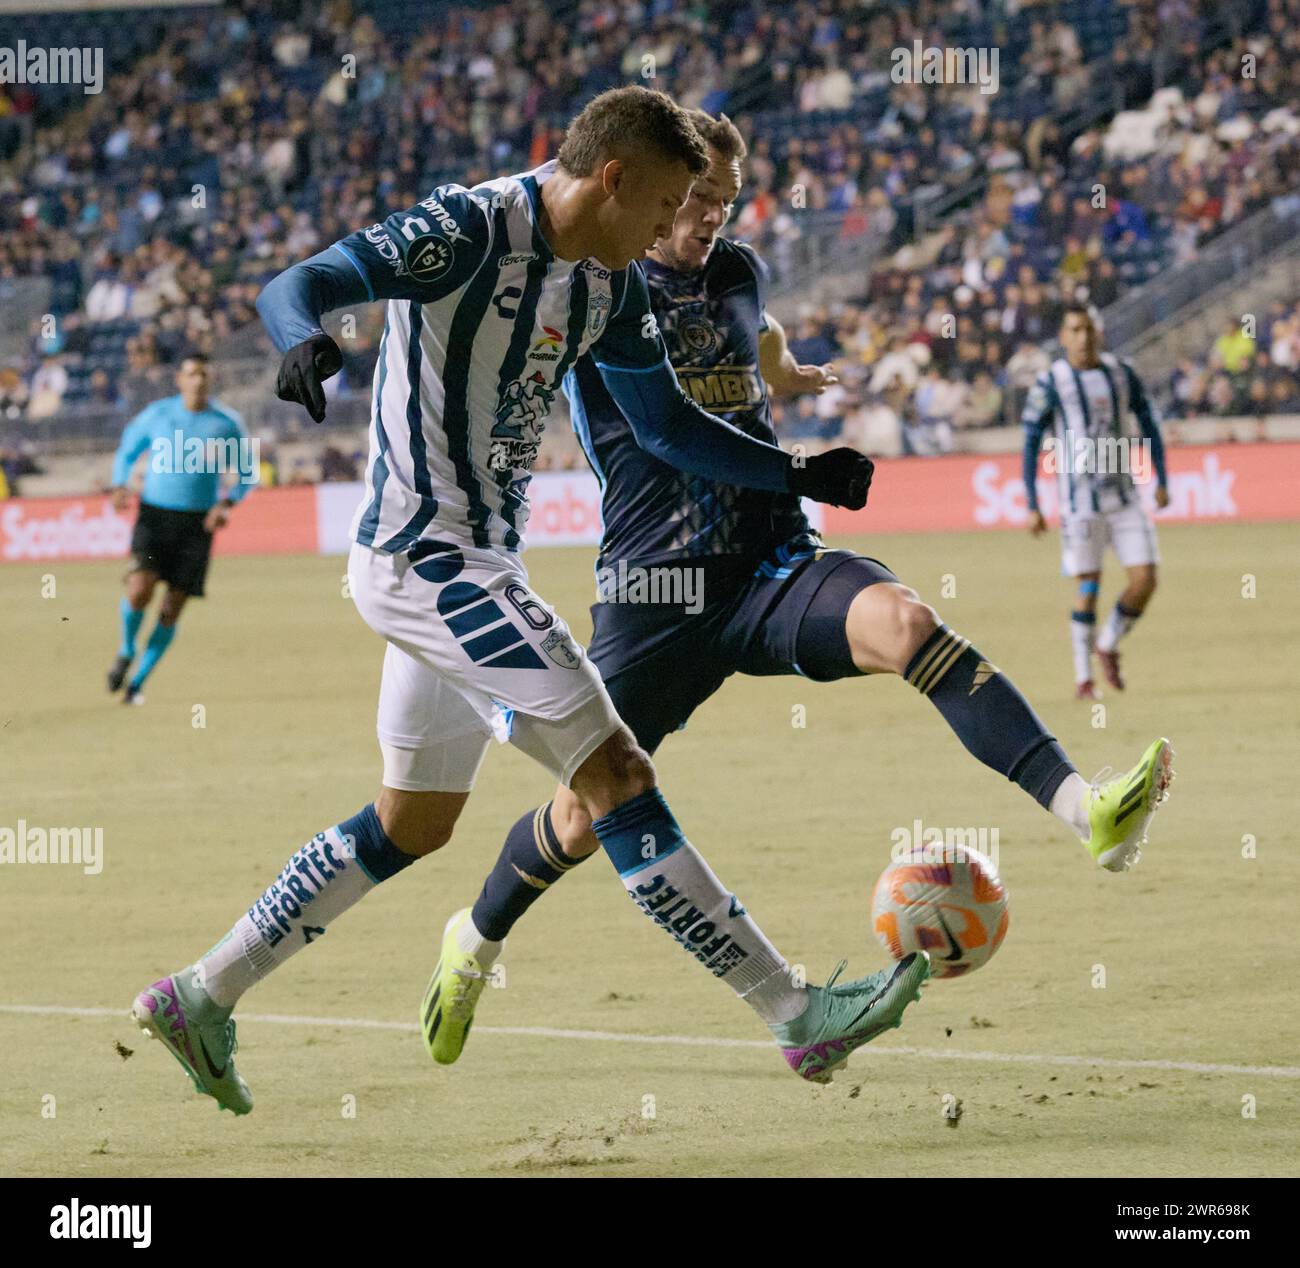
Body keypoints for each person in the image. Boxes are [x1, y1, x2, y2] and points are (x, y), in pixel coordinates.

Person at [129, 87, 923, 1116]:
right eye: (665, 205)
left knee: (412, 822)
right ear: (614, 179)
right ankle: (794, 1012)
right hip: (429, 558)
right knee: (616, 770)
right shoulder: (465, 228)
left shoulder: (608, 289)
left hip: (474, 560)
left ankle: (199, 994)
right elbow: (304, 280)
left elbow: (670, 429)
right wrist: (298, 337)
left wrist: (796, 473)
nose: (668, 233)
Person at [429, 115, 1177, 1068]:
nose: (710, 219)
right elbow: (656, 428)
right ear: (655, 190)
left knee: (906, 621)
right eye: (696, 201)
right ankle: (476, 941)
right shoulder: (596, 292)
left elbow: (757, 335)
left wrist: (783, 371)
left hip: (773, 564)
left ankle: (1088, 812)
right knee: (583, 815)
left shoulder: (738, 272)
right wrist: (793, 461)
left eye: (726, 203)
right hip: (654, 591)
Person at [1023, 305, 1170, 696]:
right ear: (1064, 336)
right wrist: (1032, 503)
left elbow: (1150, 421)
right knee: (1089, 585)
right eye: (1075, 329)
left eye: (1089, 328)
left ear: (1098, 332)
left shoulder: (1121, 373)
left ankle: (1107, 643)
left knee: (1146, 579)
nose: (1084, 336)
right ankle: (1083, 678)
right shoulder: (1052, 381)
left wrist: (1161, 475)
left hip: (1125, 498)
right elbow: (1030, 441)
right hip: (1080, 503)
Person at [107, 354, 255, 704]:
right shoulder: (159, 414)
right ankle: (126, 650)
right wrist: (119, 484)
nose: (198, 380)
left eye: (204, 373)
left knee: (172, 608)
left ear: (212, 378)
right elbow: (128, 449)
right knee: (140, 589)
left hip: (197, 524)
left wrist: (227, 504)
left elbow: (247, 474)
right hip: (155, 516)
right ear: (180, 379)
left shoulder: (227, 423)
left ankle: (137, 683)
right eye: (191, 373)